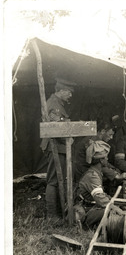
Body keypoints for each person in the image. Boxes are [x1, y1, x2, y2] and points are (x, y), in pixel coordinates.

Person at [40, 77, 76, 220]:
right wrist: (69, 136)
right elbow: (55, 128)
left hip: (60, 147)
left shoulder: (58, 103)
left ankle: (58, 211)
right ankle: (52, 215)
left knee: (58, 179)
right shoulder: (53, 104)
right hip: (55, 146)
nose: (70, 95)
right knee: (53, 180)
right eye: (68, 92)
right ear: (60, 91)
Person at [73, 120, 126, 187]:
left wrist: (114, 169)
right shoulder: (93, 144)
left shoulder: (97, 141)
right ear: (102, 131)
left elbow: (103, 161)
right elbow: (98, 164)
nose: (111, 138)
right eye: (110, 134)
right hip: (84, 174)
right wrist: (116, 175)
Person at [76, 141, 115, 229]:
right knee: (110, 211)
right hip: (85, 211)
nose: (107, 159)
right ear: (101, 160)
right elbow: (101, 200)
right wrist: (116, 208)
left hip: (89, 207)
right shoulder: (93, 176)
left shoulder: (96, 172)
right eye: (106, 157)